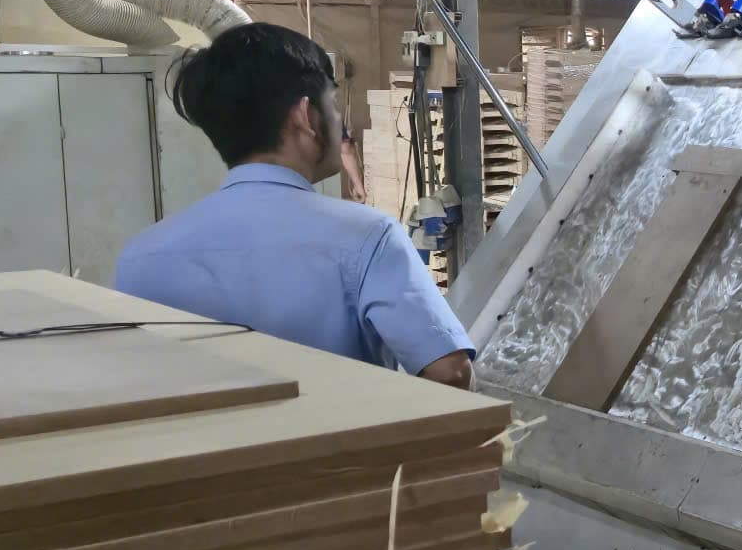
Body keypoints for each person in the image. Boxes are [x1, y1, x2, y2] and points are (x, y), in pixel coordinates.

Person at [116, 23, 474, 387]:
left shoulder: (139, 257)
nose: (339, 121)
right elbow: (450, 373)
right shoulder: (367, 238)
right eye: (333, 104)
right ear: (307, 117)